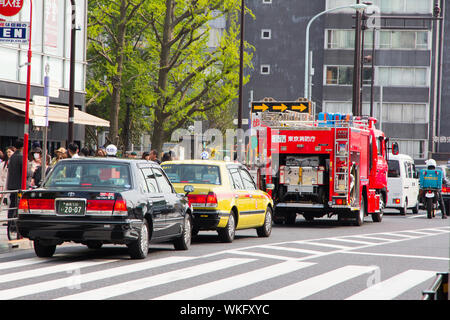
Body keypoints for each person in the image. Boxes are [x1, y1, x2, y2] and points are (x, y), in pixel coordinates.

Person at [6, 139, 24, 239]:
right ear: (23, 147)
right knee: (18, 207)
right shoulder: (21, 157)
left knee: (12, 206)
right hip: (19, 186)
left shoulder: (12, 157)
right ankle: (17, 229)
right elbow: (25, 172)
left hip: (11, 185)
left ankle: (9, 225)